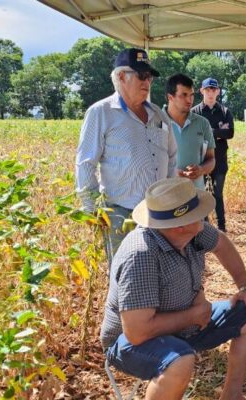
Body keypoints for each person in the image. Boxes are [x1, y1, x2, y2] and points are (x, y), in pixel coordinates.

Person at [100, 177, 246, 400]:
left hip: (185, 325)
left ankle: (232, 394)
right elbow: (136, 332)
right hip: (128, 345)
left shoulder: (194, 232)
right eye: (196, 210)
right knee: (179, 360)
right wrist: (192, 315)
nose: (203, 213)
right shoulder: (141, 255)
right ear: (180, 225)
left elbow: (221, 243)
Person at [75, 48, 176, 265]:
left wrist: (168, 196)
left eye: (149, 76)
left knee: (159, 273)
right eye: (141, 75)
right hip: (121, 213)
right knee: (126, 276)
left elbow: (172, 156)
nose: (147, 81)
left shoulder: (158, 114)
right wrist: (93, 210)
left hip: (158, 212)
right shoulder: (101, 112)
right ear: (121, 76)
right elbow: (85, 164)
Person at [191, 77, 235, 232]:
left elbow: (229, 133)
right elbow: (192, 134)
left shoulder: (224, 111)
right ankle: (204, 226)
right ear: (202, 91)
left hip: (219, 159)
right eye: (207, 90)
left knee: (218, 193)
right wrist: (217, 132)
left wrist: (208, 132)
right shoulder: (194, 112)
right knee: (201, 195)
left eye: (214, 90)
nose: (210, 93)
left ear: (218, 92)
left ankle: (222, 227)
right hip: (200, 161)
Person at [165, 74, 216, 191]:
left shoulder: (203, 123)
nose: (189, 100)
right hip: (165, 197)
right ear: (170, 97)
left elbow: (211, 159)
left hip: (195, 195)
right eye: (184, 95)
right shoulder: (155, 122)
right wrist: (170, 172)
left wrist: (201, 170)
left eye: (191, 95)